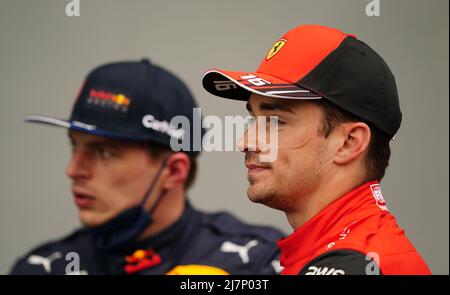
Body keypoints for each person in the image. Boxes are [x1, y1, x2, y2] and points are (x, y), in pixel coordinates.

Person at [10, 59, 284, 275]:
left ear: (174, 171)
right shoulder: (40, 266)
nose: (73, 170)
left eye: (104, 152)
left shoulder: (257, 261)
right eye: (75, 146)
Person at [202, 24, 431, 275]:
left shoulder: (356, 264)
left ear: (349, 143)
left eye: (276, 121)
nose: (244, 141)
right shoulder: (337, 251)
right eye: (253, 119)